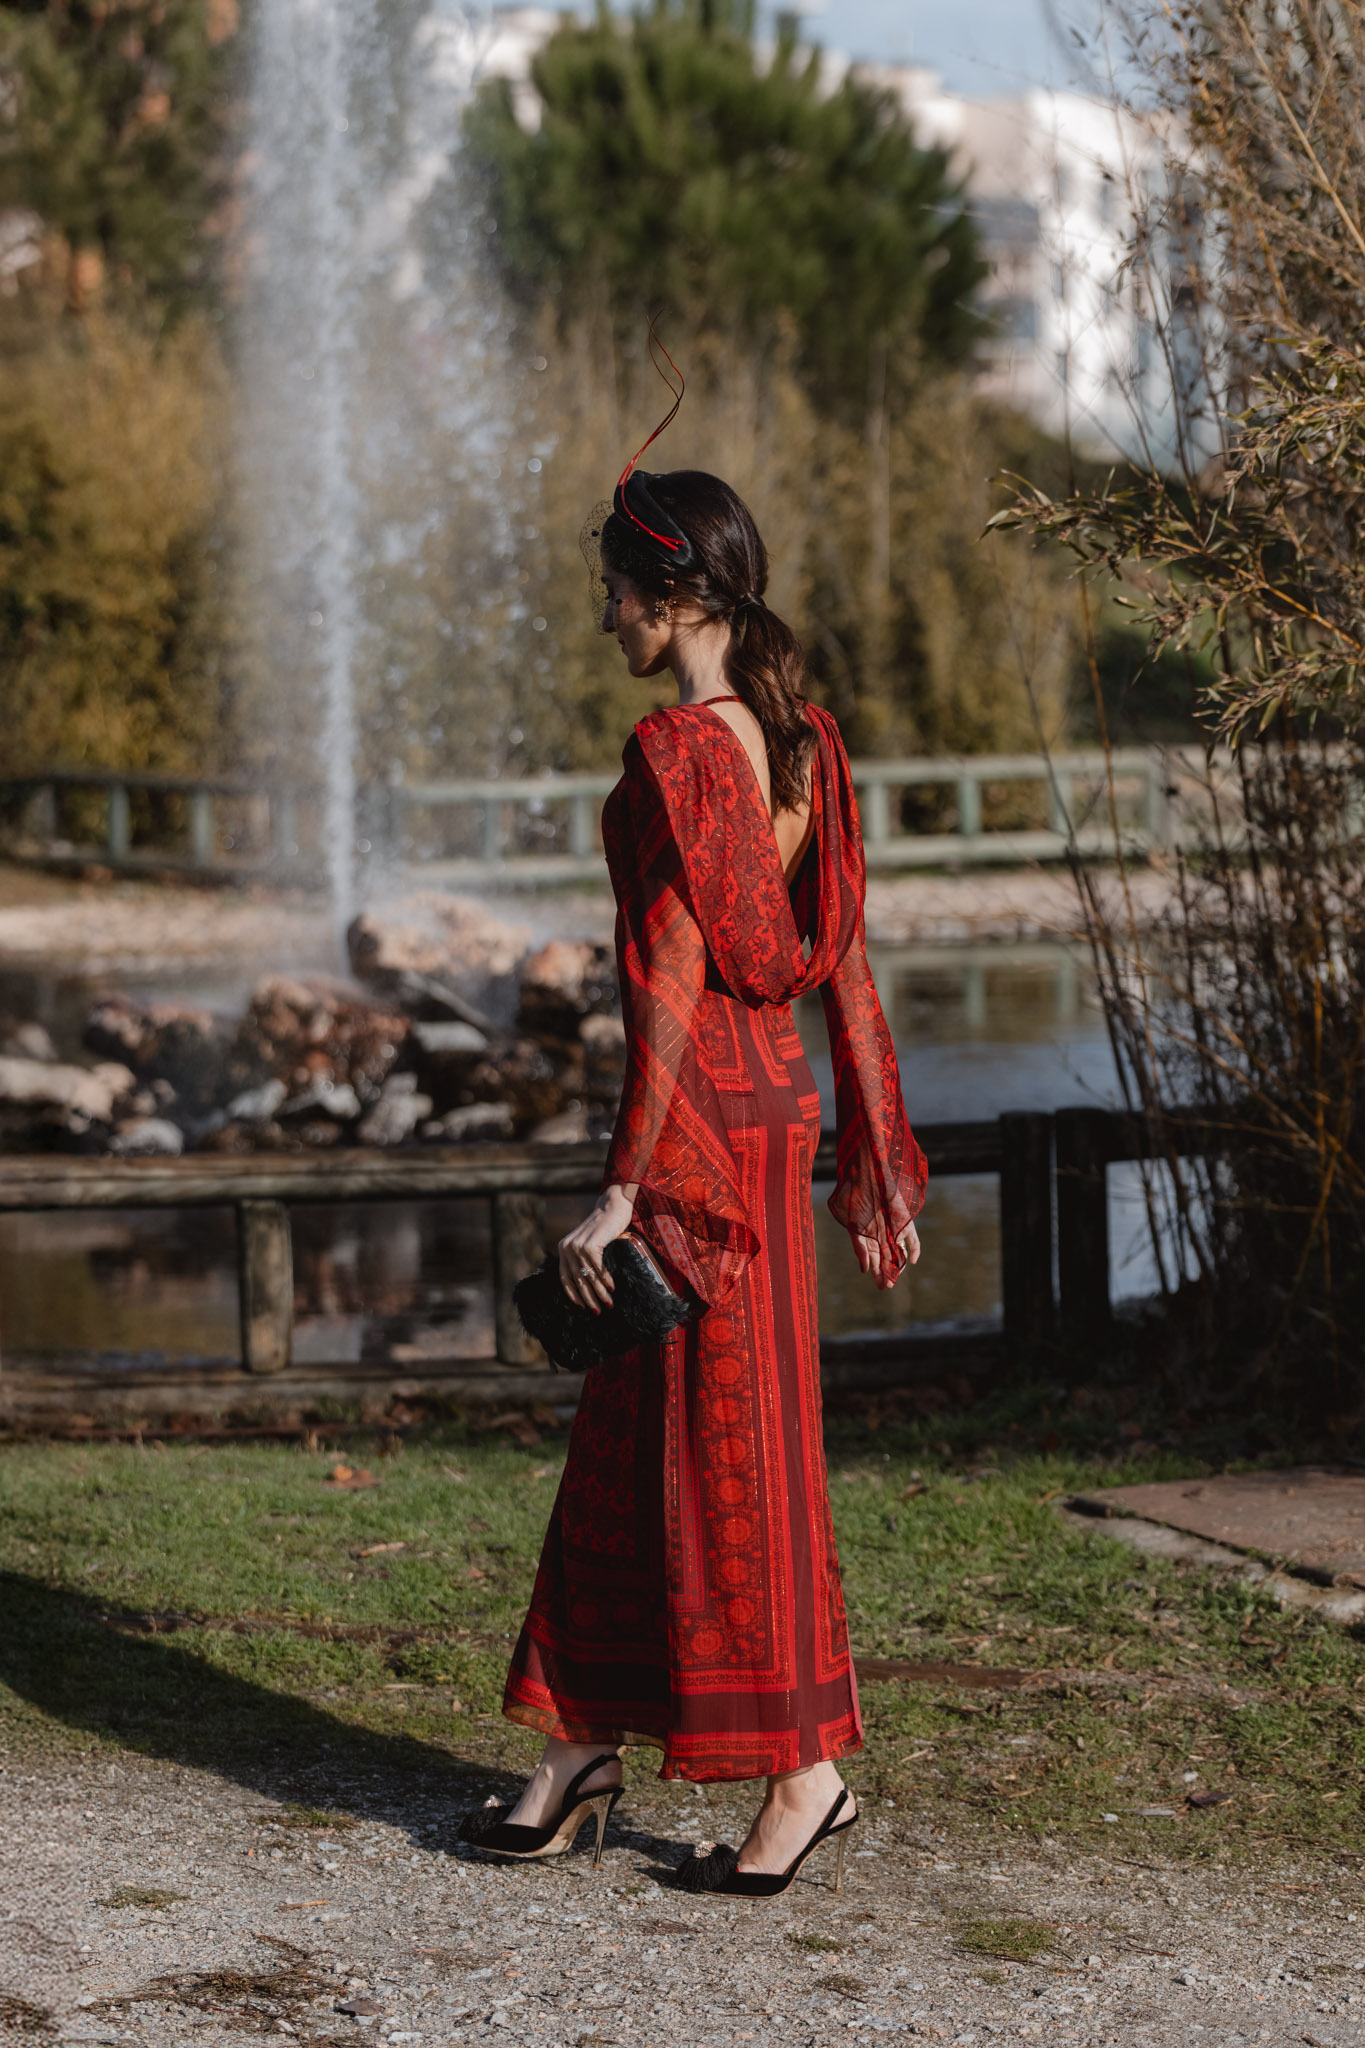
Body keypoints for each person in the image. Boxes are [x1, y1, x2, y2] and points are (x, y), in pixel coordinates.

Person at [465, 440, 927, 1901]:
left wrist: (623, 1182)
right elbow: (842, 958)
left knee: (735, 1453)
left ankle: (804, 1776)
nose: (603, 615)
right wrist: (873, 1142)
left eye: (614, 591)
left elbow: (668, 973)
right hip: (771, 1103)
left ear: (670, 598)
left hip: (702, 1130)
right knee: (636, 1431)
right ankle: (578, 1746)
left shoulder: (674, 755)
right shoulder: (805, 741)